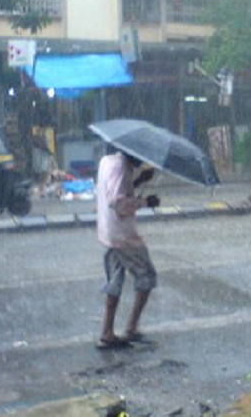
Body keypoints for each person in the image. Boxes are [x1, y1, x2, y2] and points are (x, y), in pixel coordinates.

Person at [95, 147, 161, 349]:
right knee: (147, 276)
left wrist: (140, 180)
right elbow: (119, 203)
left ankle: (107, 331)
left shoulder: (108, 161)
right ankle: (131, 327)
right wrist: (145, 202)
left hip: (108, 232)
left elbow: (113, 190)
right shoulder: (121, 168)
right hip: (124, 237)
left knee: (115, 280)